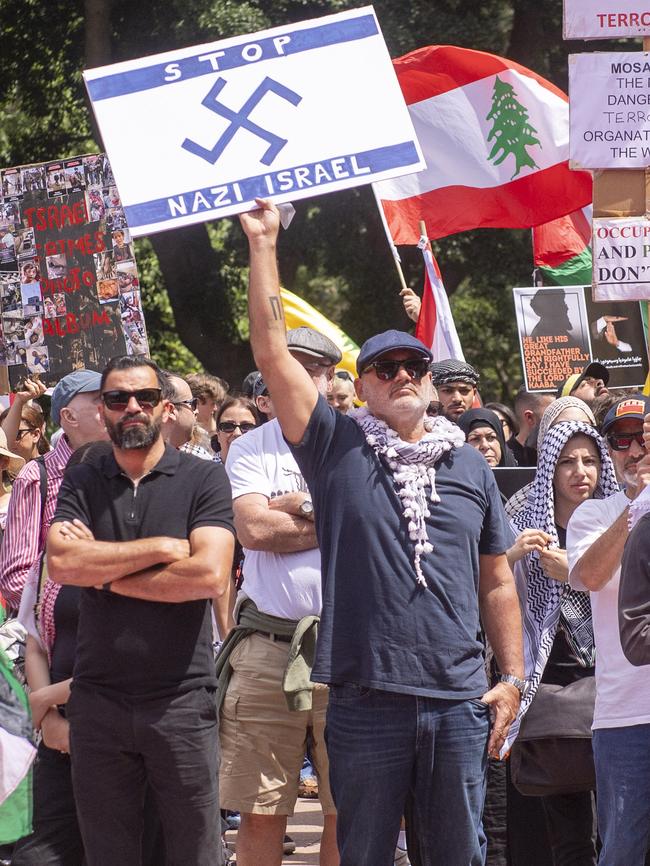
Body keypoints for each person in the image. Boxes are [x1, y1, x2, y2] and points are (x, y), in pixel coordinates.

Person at [238, 198, 524, 866]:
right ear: (358, 386)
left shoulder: (468, 465)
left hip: (458, 699)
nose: (401, 377)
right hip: (367, 699)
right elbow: (271, 350)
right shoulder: (335, 448)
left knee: (458, 855)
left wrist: (511, 678)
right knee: (362, 854)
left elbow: (499, 582)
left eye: (413, 369)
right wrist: (262, 244)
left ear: (430, 383)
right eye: (384, 369)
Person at [46, 355, 236, 866]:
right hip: (99, 700)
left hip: (181, 701)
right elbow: (62, 563)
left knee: (194, 853)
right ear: (103, 411)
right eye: (117, 399)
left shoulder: (203, 479)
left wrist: (101, 573)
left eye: (144, 397)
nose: (132, 407)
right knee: (108, 855)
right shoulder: (83, 477)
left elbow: (208, 576)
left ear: (166, 409)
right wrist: (162, 548)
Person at [218, 327, 341, 866]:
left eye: (314, 368)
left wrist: (298, 505)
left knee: (349, 807)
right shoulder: (249, 445)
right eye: (290, 364)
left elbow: (374, 526)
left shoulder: (360, 438)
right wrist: (334, 513)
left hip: (351, 649)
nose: (302, 376)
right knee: (260, 809)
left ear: (331, 377)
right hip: (268, 647)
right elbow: (256, 533)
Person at [507, 421, 618, 866]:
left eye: (590, 461)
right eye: (568, 461)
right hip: (550, 688)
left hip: (614, 683)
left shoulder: (620, 518)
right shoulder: (523, 520)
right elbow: (486, 592)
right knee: (570, 835)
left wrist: (576, 570)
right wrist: (510, 556)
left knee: (622, 826)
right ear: (549, 467)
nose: (580, 472)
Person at [567, 394, 650, 866]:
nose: (634, 449)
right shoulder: (594, 515)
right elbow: (593, 575)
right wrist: (639, 503)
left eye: (643, 436)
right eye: (622, 440)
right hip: (627, 717)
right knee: (622, 853)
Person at [0, 370, 106, 613]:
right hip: (59, 634)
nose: (114, 406)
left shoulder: (127, 469)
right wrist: (83, 599)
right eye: (100, 399)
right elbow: (16, 579)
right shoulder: (37, 476)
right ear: (69, 416)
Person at [505, 397, 596, 519]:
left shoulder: (617, 509)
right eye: (562, 428)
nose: (573, 432)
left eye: (584, 426)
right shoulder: (519, 508)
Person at [511, 388, 556, 467]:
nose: (559, 420)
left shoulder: (560, 455)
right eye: (552, 415)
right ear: (529, 418)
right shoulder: (504, 458)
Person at [429, 358, 480, 422]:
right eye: (448, 391)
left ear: (474, 394)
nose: (457, 399)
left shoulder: (485, 430)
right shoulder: (417, 430)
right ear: (432, 393)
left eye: (464, 391)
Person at [214, 396, 260, 463]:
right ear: (218, 434)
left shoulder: (270, 470)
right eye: (228, 426)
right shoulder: (203, 472)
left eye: (246, 427)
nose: (237, 433)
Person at [186, 372, 229, 436]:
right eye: (212, 404)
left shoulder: (220, 434)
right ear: (196, 402)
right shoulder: (179, 434)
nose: (215, 408)